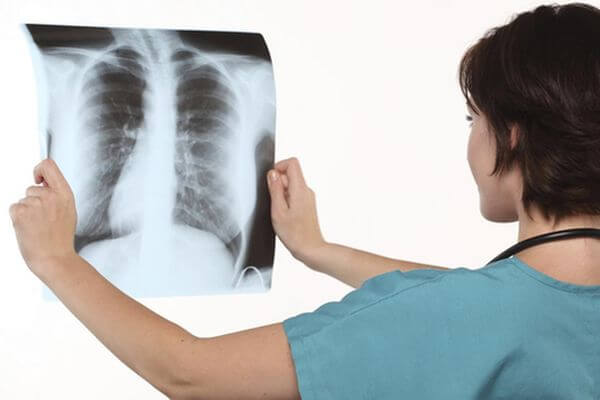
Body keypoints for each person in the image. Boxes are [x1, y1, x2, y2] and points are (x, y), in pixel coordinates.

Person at [8, 2, 600, 399]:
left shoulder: (463, 316)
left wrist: (57, 260)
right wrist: (318, 250)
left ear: (511, 135)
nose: (471, 138)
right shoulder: (545, 310)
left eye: (475, 119)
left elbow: (189, 373)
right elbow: (488, 300)